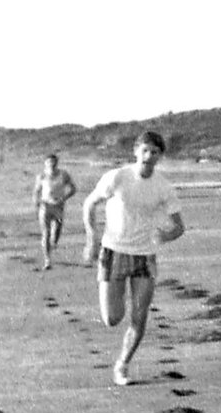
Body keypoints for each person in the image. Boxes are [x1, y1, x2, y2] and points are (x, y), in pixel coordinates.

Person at [81, 130, 184, 386]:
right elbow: (89, 204)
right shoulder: (117, 177)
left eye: (155, 152)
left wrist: (165, 236)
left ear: (160, 157)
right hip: (113, 251)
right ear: (136, 151)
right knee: (112, 318)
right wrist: (91, 238)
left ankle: (122, 365)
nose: (149, 156)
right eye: (145, 150)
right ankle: (118, 295)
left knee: (140, 316)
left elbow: (179, 226)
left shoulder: (163, 187)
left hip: (144, 256)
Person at [32, 153, 77, 269]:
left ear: (57, 163)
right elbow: (36, 191)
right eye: (49, 162)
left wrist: (63, 198)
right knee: (45, 233)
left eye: (53, 162)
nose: (51, 165)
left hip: (58, 206)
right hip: (45, 206)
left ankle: (53, 245)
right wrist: (36, 203)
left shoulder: (63, 174)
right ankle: (47, 260)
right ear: (45, 164)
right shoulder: (41, 176)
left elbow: (73, 188)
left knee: (56, 232)